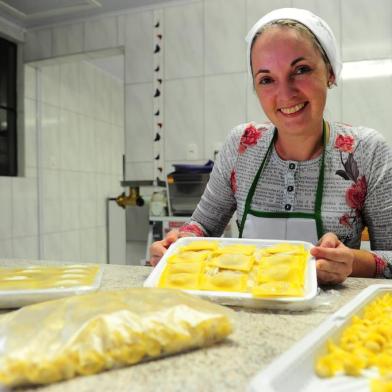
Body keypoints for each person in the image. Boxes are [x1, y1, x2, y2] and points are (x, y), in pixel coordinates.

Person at [149, 8, 392, 284]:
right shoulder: (241, 145)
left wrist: (352, 262)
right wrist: (179, 243)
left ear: (330, 73)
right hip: (246, 310)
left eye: (301, 70)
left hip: (332, 319)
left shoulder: (367, 152)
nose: (285, 94)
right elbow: (202, 227)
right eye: (266, 79)